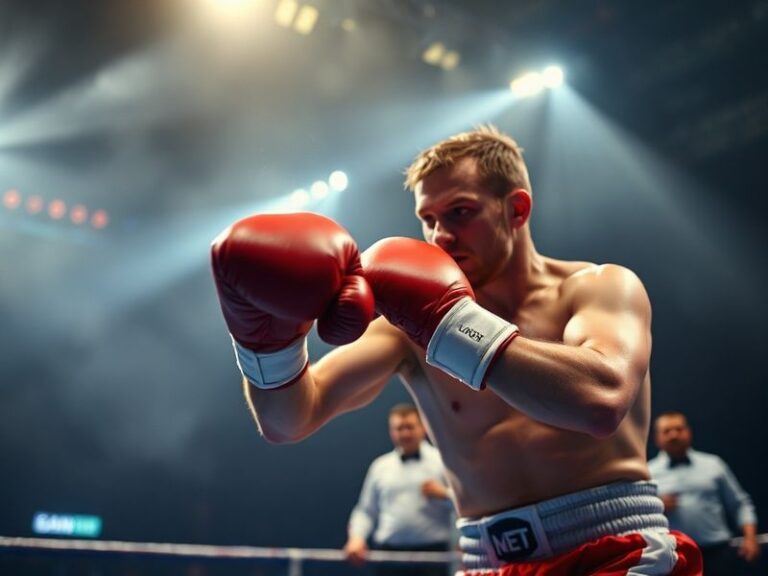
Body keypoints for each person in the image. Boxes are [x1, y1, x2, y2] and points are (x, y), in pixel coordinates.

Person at [211, 125, 703, 575]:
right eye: (427, 219)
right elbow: (289, 420)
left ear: (516, 209)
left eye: (459, 213)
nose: (439, 236)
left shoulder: (597, 287)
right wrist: (267, 342)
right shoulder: (406, 328)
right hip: (485, 562)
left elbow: (600, 400)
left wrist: (450, 323)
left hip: (616, 551)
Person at [344, 403, 454, 576]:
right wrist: (356, 537)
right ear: (391, 431)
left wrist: (445, 494)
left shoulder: (442, 461)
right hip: (388, 555)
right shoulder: (380, 466)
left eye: (410, 427)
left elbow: (468, 503)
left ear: (423, 427)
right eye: (399, 428)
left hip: (432, 556)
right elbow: (365, 511)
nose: (405, 433)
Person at [648, 411, 760, 575]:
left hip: (718, 553)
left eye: (679, 429)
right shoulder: (647, 472)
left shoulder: (713, 465)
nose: (674, 435)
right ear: (657, 438)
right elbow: (636, 518)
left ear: (688, 432)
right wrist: (655, 506)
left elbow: (740, 503)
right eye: (666, 431)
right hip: (674, 556)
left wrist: (750, 538)